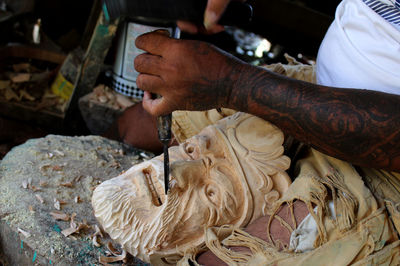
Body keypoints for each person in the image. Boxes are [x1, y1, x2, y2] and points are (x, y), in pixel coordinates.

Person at [107, 0, 400, 264]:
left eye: (212, 192)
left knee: (218, 260)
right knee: (135, 126)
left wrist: (234, 84)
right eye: (192, 151)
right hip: (324, 85)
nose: (173, 173)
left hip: (384, 153)